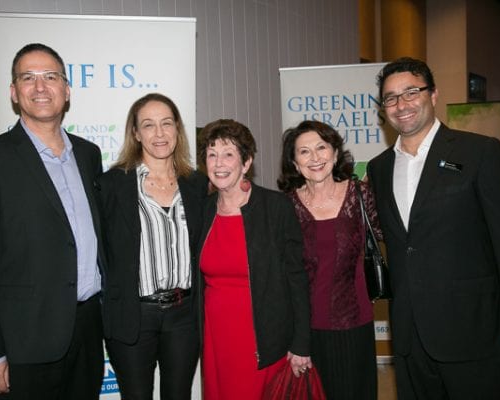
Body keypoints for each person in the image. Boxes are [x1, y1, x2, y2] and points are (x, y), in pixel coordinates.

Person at [367, 57, 500, 399]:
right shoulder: (379, 168)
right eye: (391, 98)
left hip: (474, 332)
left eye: (411, 92)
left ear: (433, 95)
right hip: (410, 337)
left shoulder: (480, 152)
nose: (401, 104)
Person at [0, 43, 105, 399]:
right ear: (13, 91)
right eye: (28, 77)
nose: (40, 86)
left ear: (66, 90)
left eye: (51, 76)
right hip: (23, 343)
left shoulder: (88, 154)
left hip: (87, 334)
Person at [97, 93, 206, 400]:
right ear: (136, 133)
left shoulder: (197, 184)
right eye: (148, 125)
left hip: (184, 315)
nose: (159, 133)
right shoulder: (112, 185)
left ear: (177, 129)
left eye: (166, 123)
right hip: (132, 315)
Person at [197, 118, 312, 399]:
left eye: (228, 154)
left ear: (246, 162)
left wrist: (301, 343)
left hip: (261, 336)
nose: (219, 163)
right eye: (211, 155)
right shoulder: (203, 210)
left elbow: (297, 278)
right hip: (215, 336)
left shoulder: (275, 207)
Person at [277, 119, 379, 399]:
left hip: (354, 323)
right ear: (295, 163)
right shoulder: (285, 206)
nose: (315, 158)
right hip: (304, 328)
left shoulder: (361, 195)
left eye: (321, 148)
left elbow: (396, 234)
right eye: (304, 151)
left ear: (335, 154)